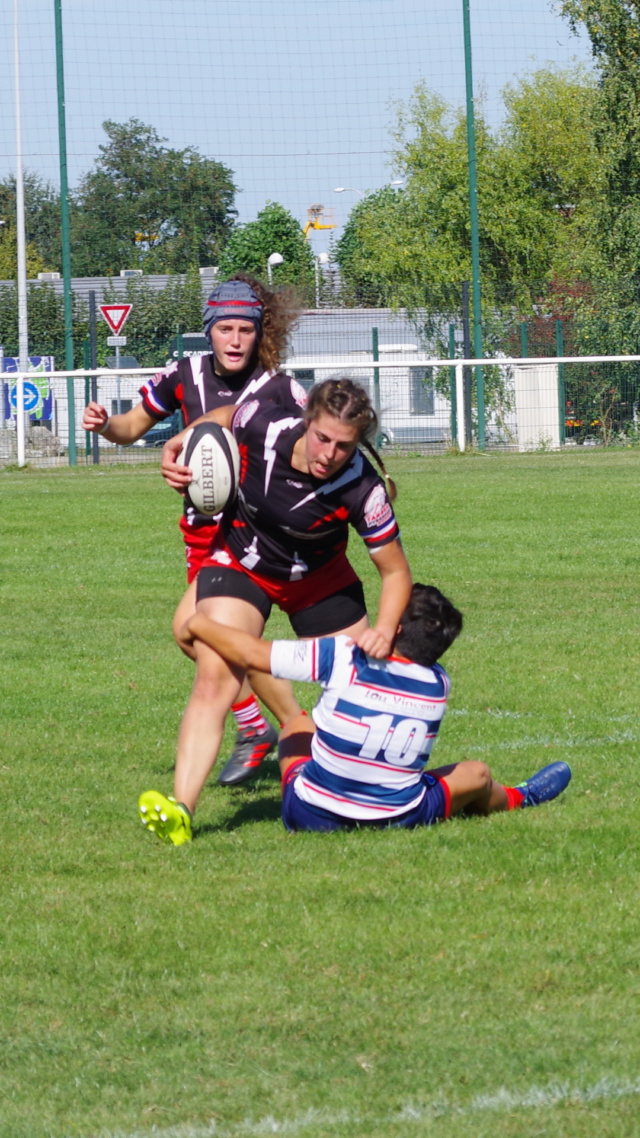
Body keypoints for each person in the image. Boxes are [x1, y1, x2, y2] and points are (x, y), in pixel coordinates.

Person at [138, 378, 414, 843]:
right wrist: (183, 439)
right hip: (245, 561)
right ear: (308, 421)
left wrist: (385, 630)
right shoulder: (265, 425)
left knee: (361, 701)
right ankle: (181, 810)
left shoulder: (363, 489)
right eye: (323, 437)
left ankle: (357, 797)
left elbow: (395, 573)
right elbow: (228, 416)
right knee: (213, 672)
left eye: (344, 446)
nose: (329, 453)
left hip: (320, 582)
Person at [83, 275, 306, 784]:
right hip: (201, 531)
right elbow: (134, 427)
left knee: (198, 632)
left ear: (259, 333)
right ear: (209, 332)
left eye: (244, 330)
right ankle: (271, 727)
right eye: (224, 329)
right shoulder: (183, 375)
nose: (234, 339)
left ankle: (285, 727)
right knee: (201, 638)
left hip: (255, 533)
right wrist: (105, 424)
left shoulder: (280, 388)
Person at [138, 584, 571, 841]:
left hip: (309, 814)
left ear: (395, 628)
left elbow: (252, 652)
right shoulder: (439, 682)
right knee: (476, 774)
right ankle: (521, 797)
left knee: (298, 723)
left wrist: (199, 624)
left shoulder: (346, 656)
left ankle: (261, 731)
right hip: (401, 816)